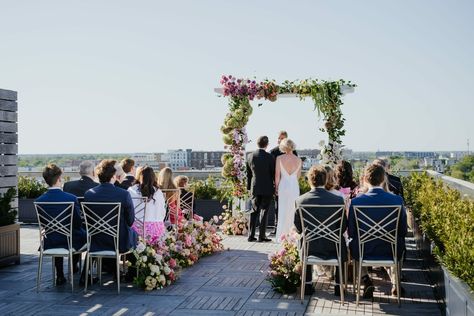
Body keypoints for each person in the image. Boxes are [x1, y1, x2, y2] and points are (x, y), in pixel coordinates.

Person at [348, 163, 407, 298]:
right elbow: (403, 230)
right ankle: (395, 282)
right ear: (383, 179)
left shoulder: (356, 202)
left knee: (353, 244)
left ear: (366, 180)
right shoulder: (397, 200)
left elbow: (351, 231)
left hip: (364, 250)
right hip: (390, 249)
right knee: (399, 242)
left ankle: (365, 279)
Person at [294, 165, 346, 296]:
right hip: (333, 247)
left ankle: (307, 284)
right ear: (326, 179)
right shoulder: (338, 200)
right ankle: (338, 286)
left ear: (310, 180)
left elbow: (299, 228)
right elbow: (343, 227)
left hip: (310, 247)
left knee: (304, 238)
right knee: (341, 240)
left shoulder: (301, 200)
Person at [84, 159, 137, 277]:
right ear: (113, 176)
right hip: (119, 241)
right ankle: (132, 273)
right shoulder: (123, 194)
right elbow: (130, 220)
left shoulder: (88, 194)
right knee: (133, 234)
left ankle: (111, 270)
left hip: (96, 240)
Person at [36, 164, 86, 286]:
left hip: (50, 241)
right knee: (88, 236)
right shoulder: (71, 198)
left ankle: (60, 275)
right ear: (59, 179)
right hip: (70, 241)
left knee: (57, 233)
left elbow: (44, 224)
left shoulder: (39, 200)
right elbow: (77, 223)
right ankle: (84, 275)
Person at [246, 136, 275, 242]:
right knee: (264, 211)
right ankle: (261, 236)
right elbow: (273, 173)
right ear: (267, 145)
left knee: (253, 211)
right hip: (267, 187)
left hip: (255, 187)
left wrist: (249, 188)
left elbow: (248, 175)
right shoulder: (270, 157)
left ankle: (251, 235)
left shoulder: (250, 156)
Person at [269, 130, 297, 235]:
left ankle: (292, 228)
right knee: (278, 206)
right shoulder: (273, 152)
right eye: (279, 138)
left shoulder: (294, 152)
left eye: (283, 138)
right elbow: (272, 170)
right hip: (278, 183)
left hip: (288, 183)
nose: (281, 140)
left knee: (291, 206)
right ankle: (277, 227)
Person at [128, 166, 166, 240]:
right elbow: (163, 212)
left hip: (137, 231)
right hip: (157, 231)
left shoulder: (131, 190)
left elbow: (128, 211)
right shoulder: (158, 192)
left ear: (138, 176)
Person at [274, 138, 301, 241]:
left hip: (283, 185)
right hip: (294, 186)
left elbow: (277, 176)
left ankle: (282, 235)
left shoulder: (279, 158)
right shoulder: (298, 160)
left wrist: (276, 187)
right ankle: (293, 235)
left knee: (283, 210)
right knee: (293, 210)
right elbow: (298, 176)